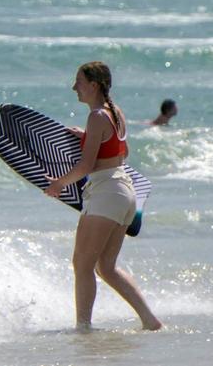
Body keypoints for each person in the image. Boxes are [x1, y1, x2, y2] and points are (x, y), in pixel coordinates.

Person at [44, 61, 162, 331]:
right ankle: (150, 320)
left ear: (94, 85)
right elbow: (122, 152)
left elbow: (85, 167)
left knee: (82, 264)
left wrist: (59, 184)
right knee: (106, 267)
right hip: (125, 193)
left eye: (79, 82)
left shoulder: (97, 116)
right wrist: (88, 137)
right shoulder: (114, 112)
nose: (75, 87)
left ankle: (83, 327)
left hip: (106, 193)